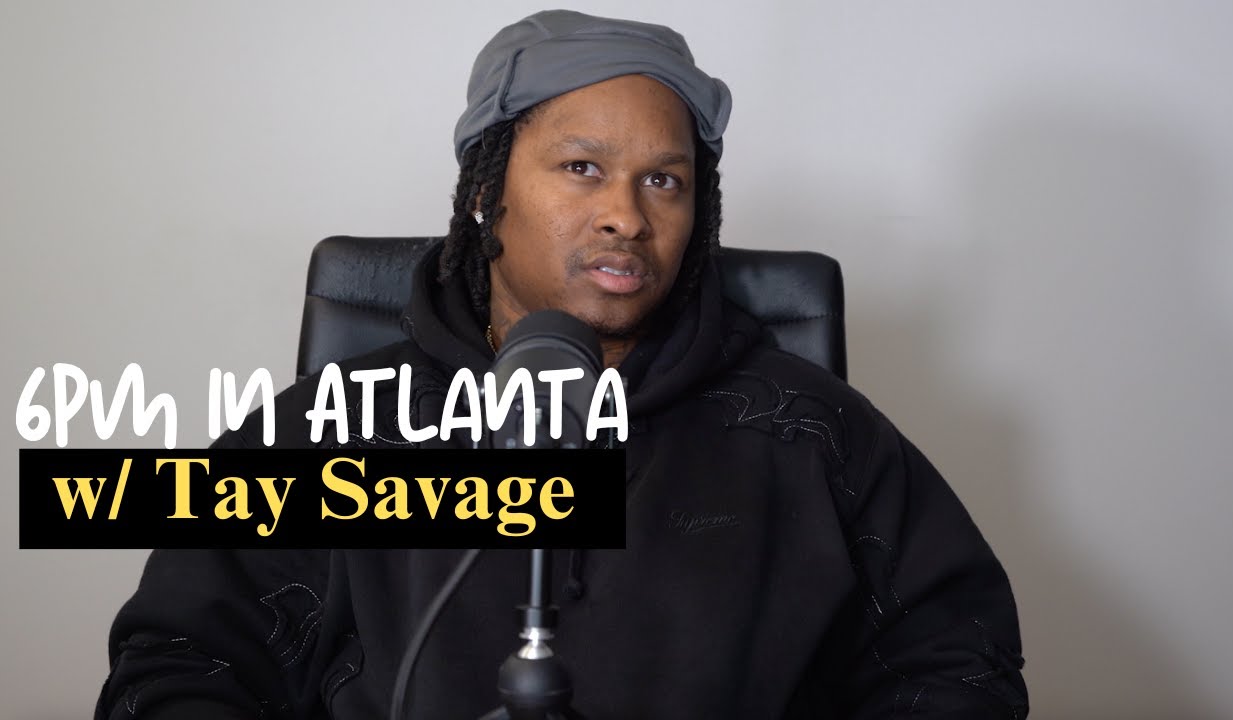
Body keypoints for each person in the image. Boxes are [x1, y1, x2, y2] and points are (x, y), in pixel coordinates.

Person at [96, 10, 1028, 719]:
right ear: (486, 191)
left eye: (663, 180)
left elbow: (959, 666)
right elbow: (175, 669)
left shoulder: (815, 434)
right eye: (582, 167)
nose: (627, 215)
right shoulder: (323, 429)